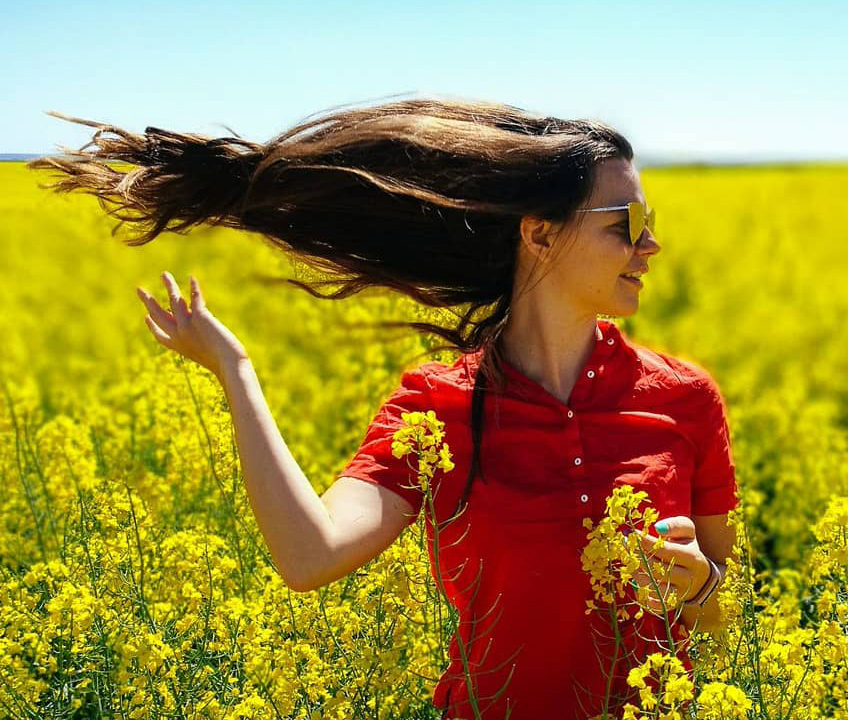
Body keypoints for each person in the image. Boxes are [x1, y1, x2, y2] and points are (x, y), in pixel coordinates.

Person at [27, 96, 740, 719]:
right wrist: (236, 372)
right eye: (627, 221)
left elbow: (719, 617)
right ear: (539, 232)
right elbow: (310, 556)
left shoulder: (685, 398)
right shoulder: (438, 405)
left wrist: (702, 583)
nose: (651, 243)